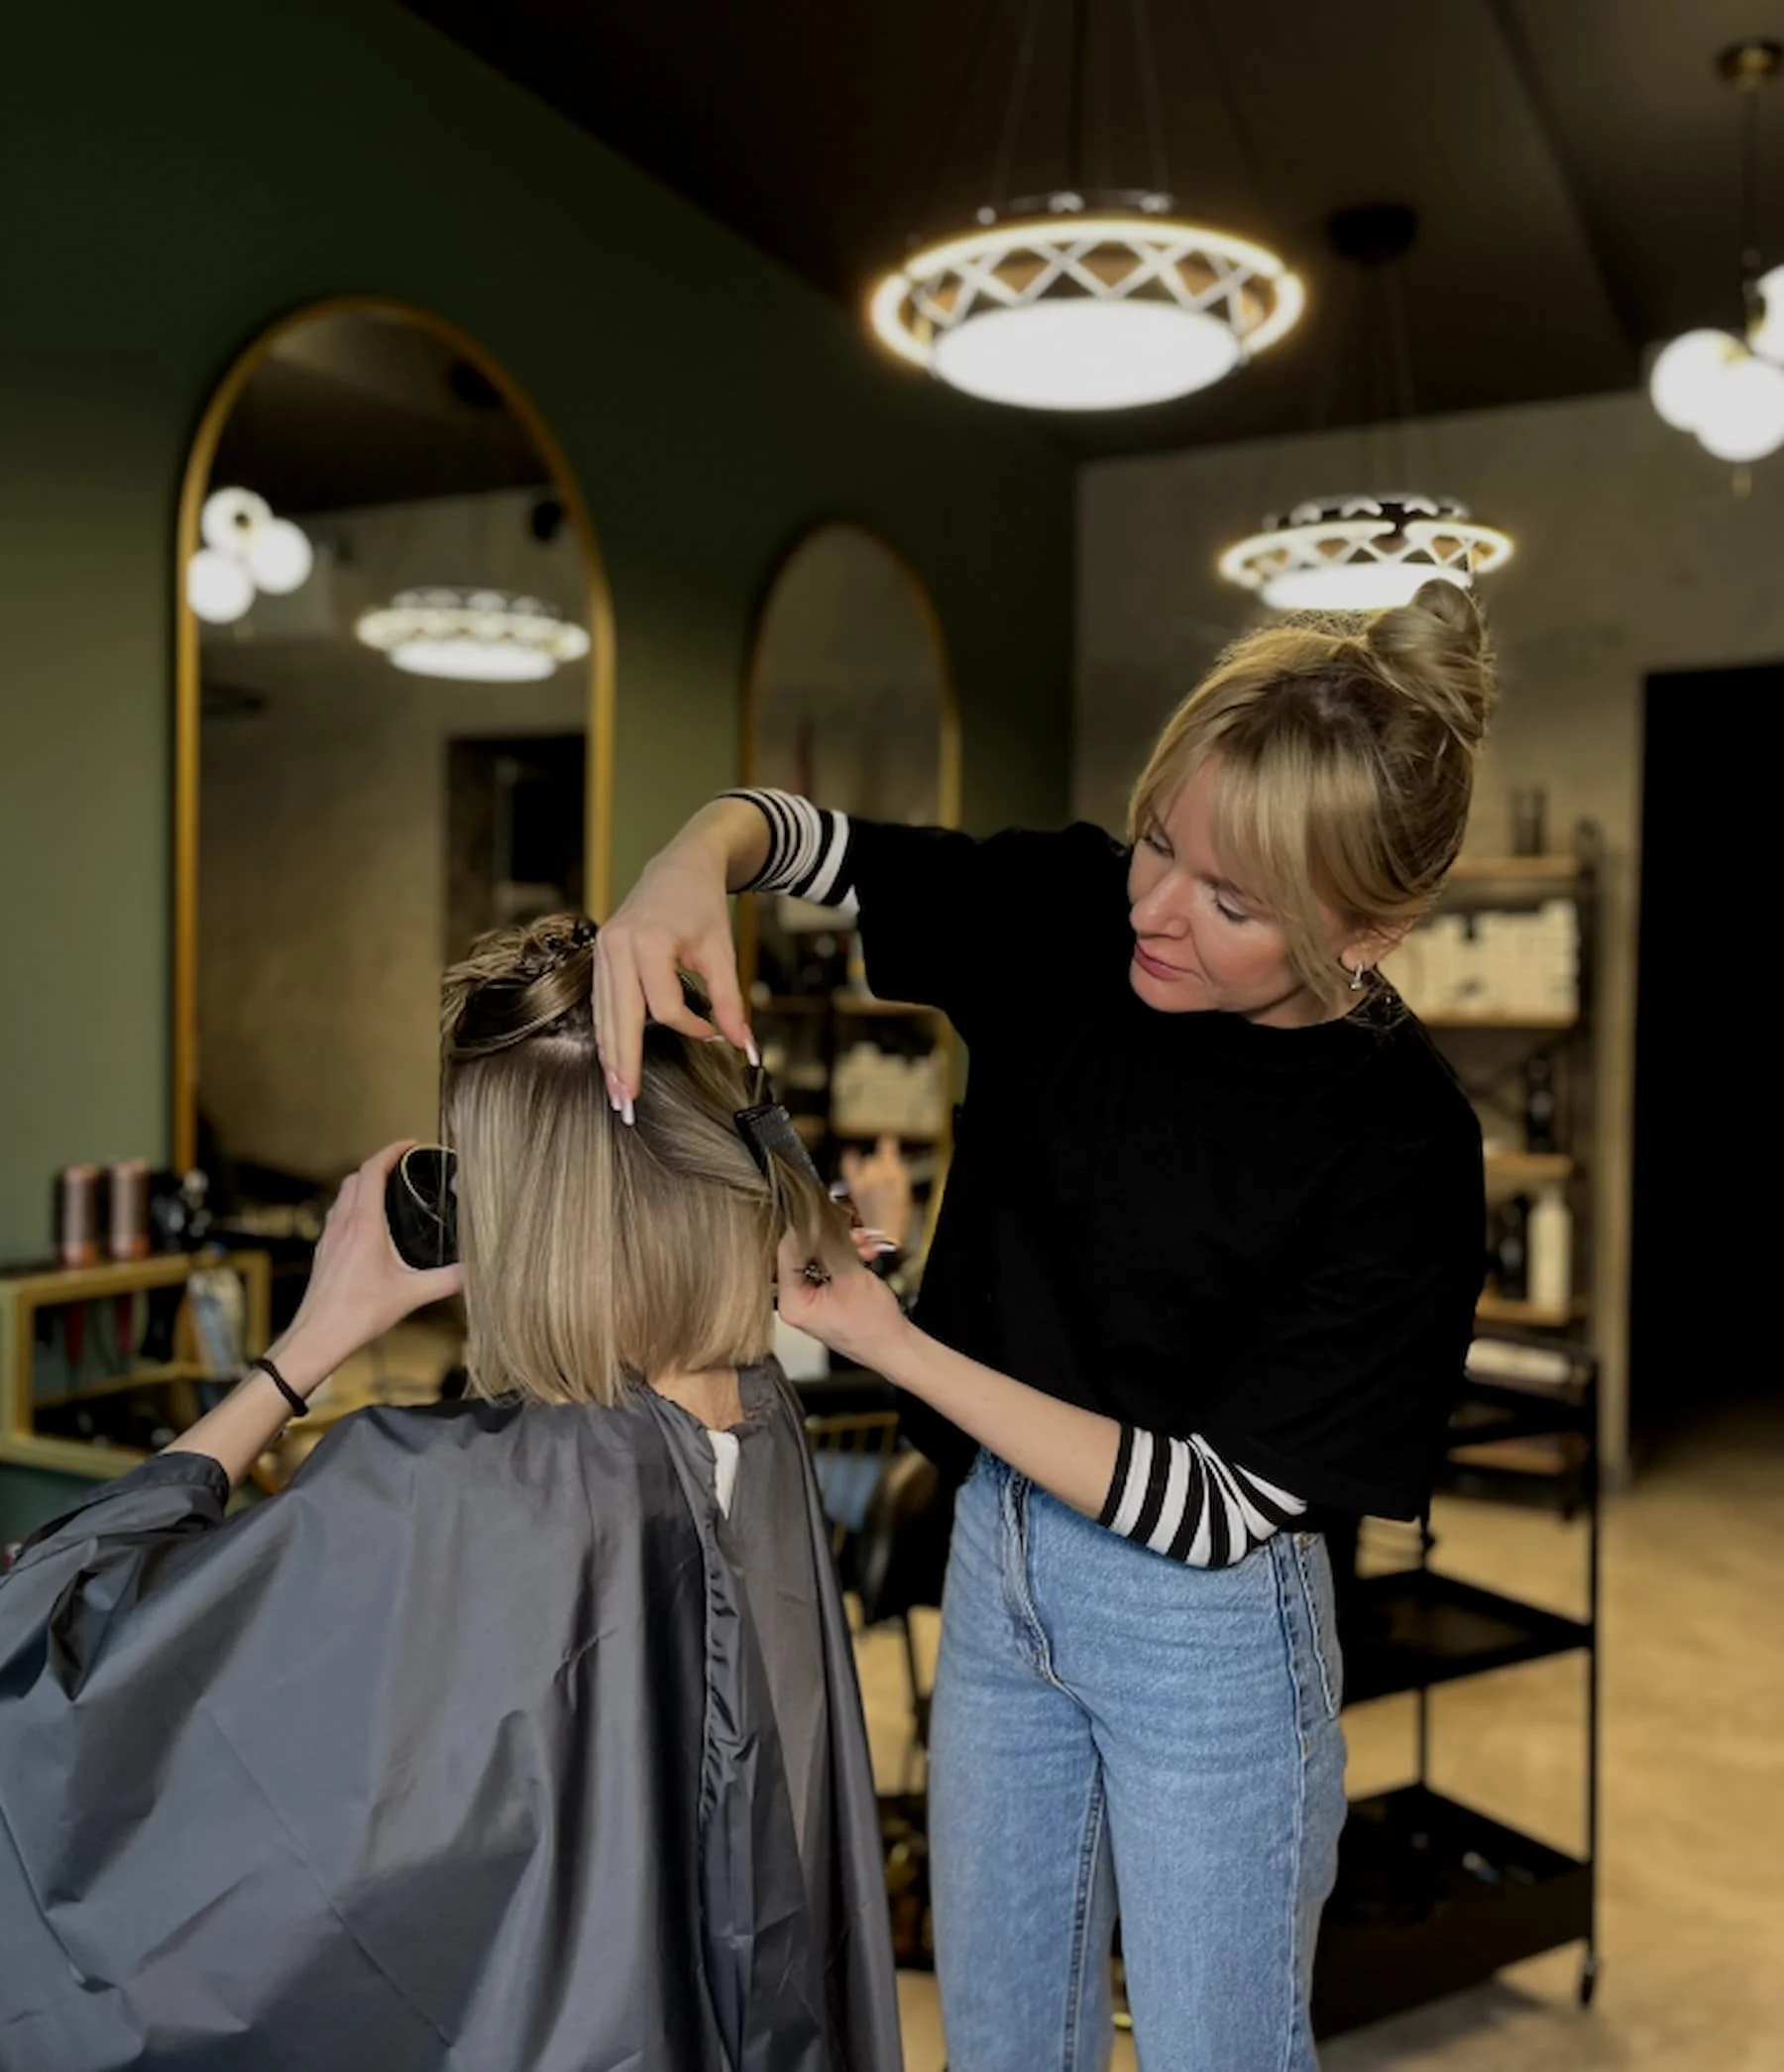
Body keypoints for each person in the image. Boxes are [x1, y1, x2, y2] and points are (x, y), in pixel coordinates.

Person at [593, 581, 1493, 2070]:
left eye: (1233, 900)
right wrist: (696, 855)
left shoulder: (1398, 1145)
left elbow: (1218, 1503)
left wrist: (891, 1341)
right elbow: (821, 847)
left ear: (1373, 928)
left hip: (1207, 1632)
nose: (1152, 908)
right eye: (1160, 840)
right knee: (1005, 2040)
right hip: (998, 1565)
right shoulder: (1081, 918)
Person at [0, 917, 901, 2072]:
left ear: (508, 1208)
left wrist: (309, 1345)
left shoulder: (440, 1497)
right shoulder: (762, 1422)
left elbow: (47, 1661)